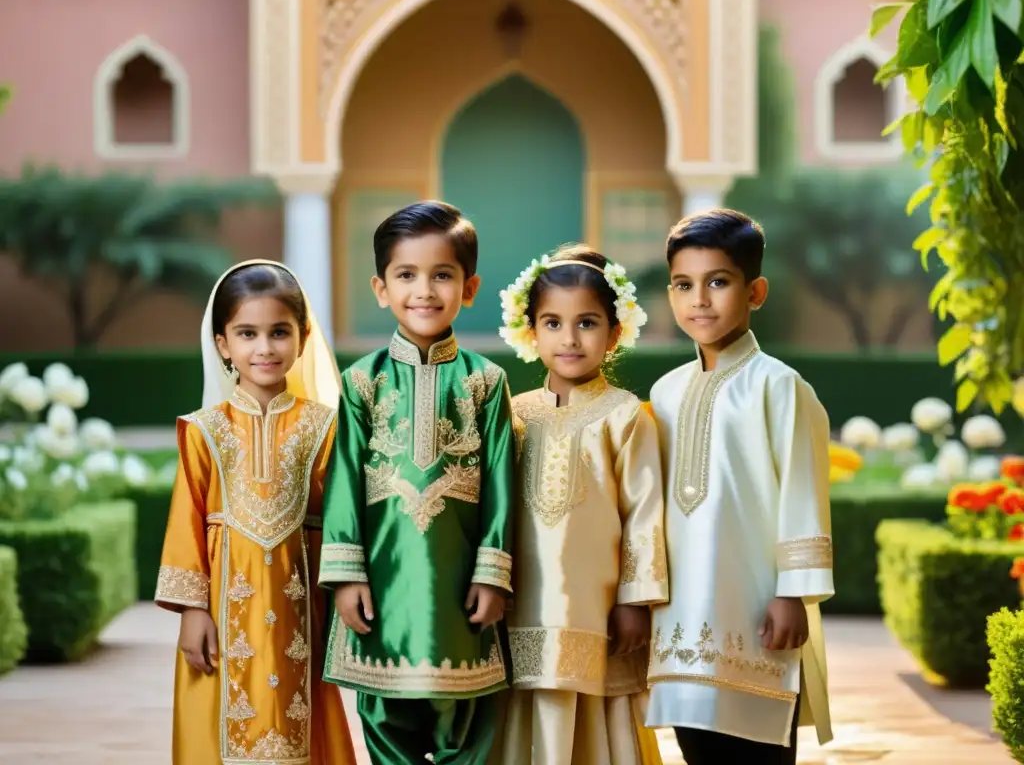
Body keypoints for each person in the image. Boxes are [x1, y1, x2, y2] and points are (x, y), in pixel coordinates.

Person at [318, 201, 516, 764]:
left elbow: (501, 483)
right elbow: (345, 484)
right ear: (381, 288)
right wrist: (347, 578)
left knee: (472, 727)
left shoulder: (486, 381)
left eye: (442, 275)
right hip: (383, 593)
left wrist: (493, 575)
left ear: (469, 287)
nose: (424, 290)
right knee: (385, 722)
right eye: (406, 275)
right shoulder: (360, 382)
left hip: (462, 593)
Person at [644, 209, 834, 764]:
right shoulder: (666, 391)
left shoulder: (779, 387)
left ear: (755, 292)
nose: (698, 299)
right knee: (695, 747)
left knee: (758, 748)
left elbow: (802, 490)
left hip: (755, 613)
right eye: (683, 284)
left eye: (717, 282)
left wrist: (792, 591)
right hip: (679, 617)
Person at [154, 259, 357, 765]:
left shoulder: (327, 427)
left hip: (302, 607)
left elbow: (343, 520)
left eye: (278, 332)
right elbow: (186, 526)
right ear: (224, 344)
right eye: (247, 333)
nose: (264, 348)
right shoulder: (202, 429)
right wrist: (192, 611)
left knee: (304, 717)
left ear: (303, 337)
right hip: (223, 612)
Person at [489, 244, 668, 765]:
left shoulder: (626, 415)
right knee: (523, 708)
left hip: (599, 611)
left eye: (587, 322)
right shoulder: (513, 414)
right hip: (518, 606)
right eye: (553, 322)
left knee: (596, 710)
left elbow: (644, 512)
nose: (569, 338)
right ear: (531, 330)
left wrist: (636, 600)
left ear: (615, 333)